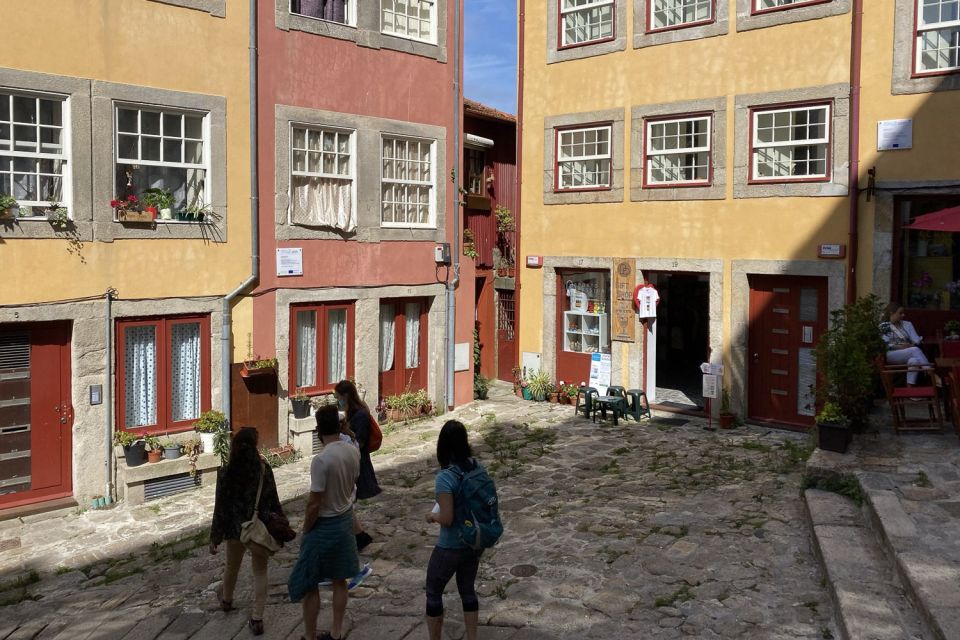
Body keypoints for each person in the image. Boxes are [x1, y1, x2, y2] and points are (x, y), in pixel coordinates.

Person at [288, 405, 361, 640]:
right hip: (344, 520)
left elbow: (314, 502)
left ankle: (310, 635)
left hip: (324, 524)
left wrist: (306, 527)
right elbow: (352, 486)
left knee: (311, 582)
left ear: (318, 429)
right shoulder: (353, 452)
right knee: (340, 580)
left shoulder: (321, 460)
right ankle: (337, 631)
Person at [209, 427, 282, 636]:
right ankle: (257, 617)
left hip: (234, 527)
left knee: (232, 566)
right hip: (257, 527)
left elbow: (220, 507)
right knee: (260, 571)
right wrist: (279, 525)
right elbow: (272, 499)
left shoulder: (225, 473)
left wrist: (215, 536)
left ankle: (227, 600)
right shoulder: (263, 469)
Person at [424, 420, 483, 640]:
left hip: (450, 545)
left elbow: (447, 518)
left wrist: (432, 516)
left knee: (433, 591)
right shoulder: (476, 467)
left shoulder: (445, 477)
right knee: (467, 590)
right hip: (473, 542)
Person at [334, 379, 380, 550]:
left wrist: (346, 432)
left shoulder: (361, 414)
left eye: (339, 397)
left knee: (346, 500)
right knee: (346, 501)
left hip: (356, 460)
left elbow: (360, 441)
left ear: (346, 396)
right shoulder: (352, 411)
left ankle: (358, 536)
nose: (338, 400)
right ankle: (358, 535)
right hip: (350, 458)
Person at [881, 303, 932, 385]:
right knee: (915, 350)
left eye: (903, 313)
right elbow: (884, 345)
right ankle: (931, 374)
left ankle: (909, 390)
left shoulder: (907, 324)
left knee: (914, 361)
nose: (903, 315)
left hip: (908, 351)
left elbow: (916, 339)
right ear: (891, 313)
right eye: (900, 313)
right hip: (891, 354)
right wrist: (900, 347)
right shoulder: (884, 326)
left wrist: (911, 344)